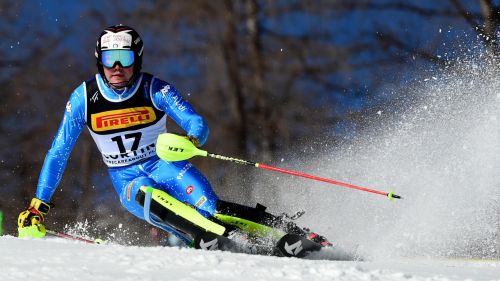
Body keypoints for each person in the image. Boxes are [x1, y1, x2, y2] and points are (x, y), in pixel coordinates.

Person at [17, 24, 330, 250]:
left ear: (136, 60)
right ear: (99, 60)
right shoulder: (84, 98)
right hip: (126, 179)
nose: (117, 68)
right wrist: (38, 204)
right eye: (110, 59)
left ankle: (292, 232)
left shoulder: (155, 89)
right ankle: (205, 238)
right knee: (148, 196)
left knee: (210, 207)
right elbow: (58, 151)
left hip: (164, 164)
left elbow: (196, 122)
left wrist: (192, 141)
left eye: (124, 59)